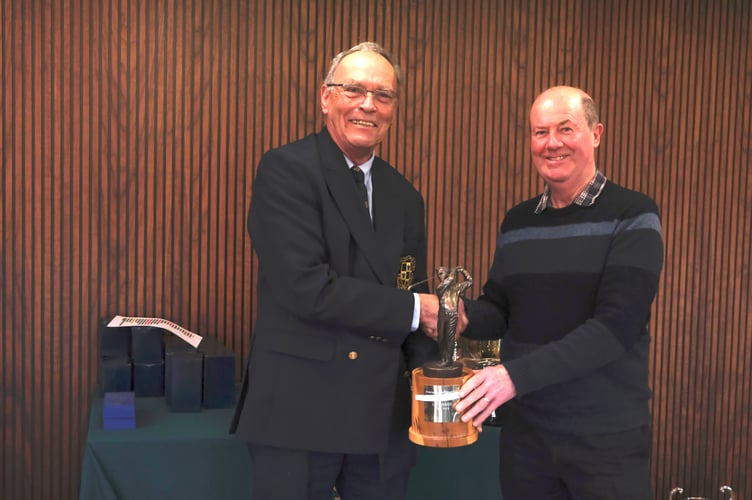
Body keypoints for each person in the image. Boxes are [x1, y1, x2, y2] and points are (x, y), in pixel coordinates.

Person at [229, 42, 439, 500]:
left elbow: (410, 288)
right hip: (299, 410)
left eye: (383, 95)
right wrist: (416, 309)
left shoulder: (405, 197)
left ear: (393, 109)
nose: (368, 104)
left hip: (381, 414)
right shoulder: (286, 170)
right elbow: (306, 288)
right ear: (326, 97)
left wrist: (440, 375)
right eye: (354, 90)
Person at [452, 86, 664, 499]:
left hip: (606, 439)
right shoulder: (517, 221)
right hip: (527, 436)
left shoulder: (633, 215)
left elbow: (616, 328)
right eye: (540, 132)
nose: (551, 144)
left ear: (596, 133)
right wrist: (456, 315)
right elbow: (500, 309)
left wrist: (515, 376)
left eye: (565, 129)